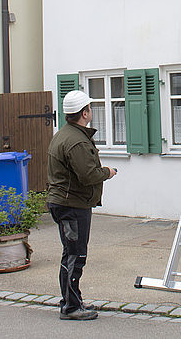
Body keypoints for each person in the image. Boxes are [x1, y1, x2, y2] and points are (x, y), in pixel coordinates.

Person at [46, 90, 118, 321]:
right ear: (84, 112)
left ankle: (71, 299)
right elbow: (88, 175)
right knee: (75, 255)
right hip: (71, 205)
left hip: (67, 203)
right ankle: (70, 307)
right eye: (89, 108)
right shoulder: (75, 140)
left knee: (72, 253)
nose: (91, 112)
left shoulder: (65, 134)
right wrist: (107, 172)